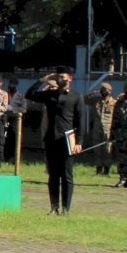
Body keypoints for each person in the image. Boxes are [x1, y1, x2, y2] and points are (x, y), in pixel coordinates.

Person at [26, 66, 83, 216]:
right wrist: (43, 80)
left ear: (70, 79)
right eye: (59, 78)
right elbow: (29, 94)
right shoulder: (49, 95)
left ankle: (66, 208)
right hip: (51, 139)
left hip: (67, 141)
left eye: (64, 77)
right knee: (53, 175)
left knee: (67, 176)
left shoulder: (76, 97)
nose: (61, 80)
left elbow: (80, 122)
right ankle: (54, 206)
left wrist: (79, 143)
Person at [83, 81, 117, 176]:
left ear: (109, 91)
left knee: (107, 150)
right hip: (97, 129)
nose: (103, 92)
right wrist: (90, 94)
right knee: (97, 150)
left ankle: (106, 171)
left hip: (108, 130)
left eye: (105, 90)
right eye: (101, 90)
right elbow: (82, 100)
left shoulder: (114, 102)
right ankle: (98, 170)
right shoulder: (96, 100)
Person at [4, 77, 27, 163]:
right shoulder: (5, 95)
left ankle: (16, 158)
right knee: (5, 140)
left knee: (15, 139)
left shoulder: (20, 96)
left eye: (13, 84)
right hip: (5, 119)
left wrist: (13, 109)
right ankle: (6, 158)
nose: (11, 86)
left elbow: (24, 109)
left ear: (16, 85)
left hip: (15, 120)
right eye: (10, 84)